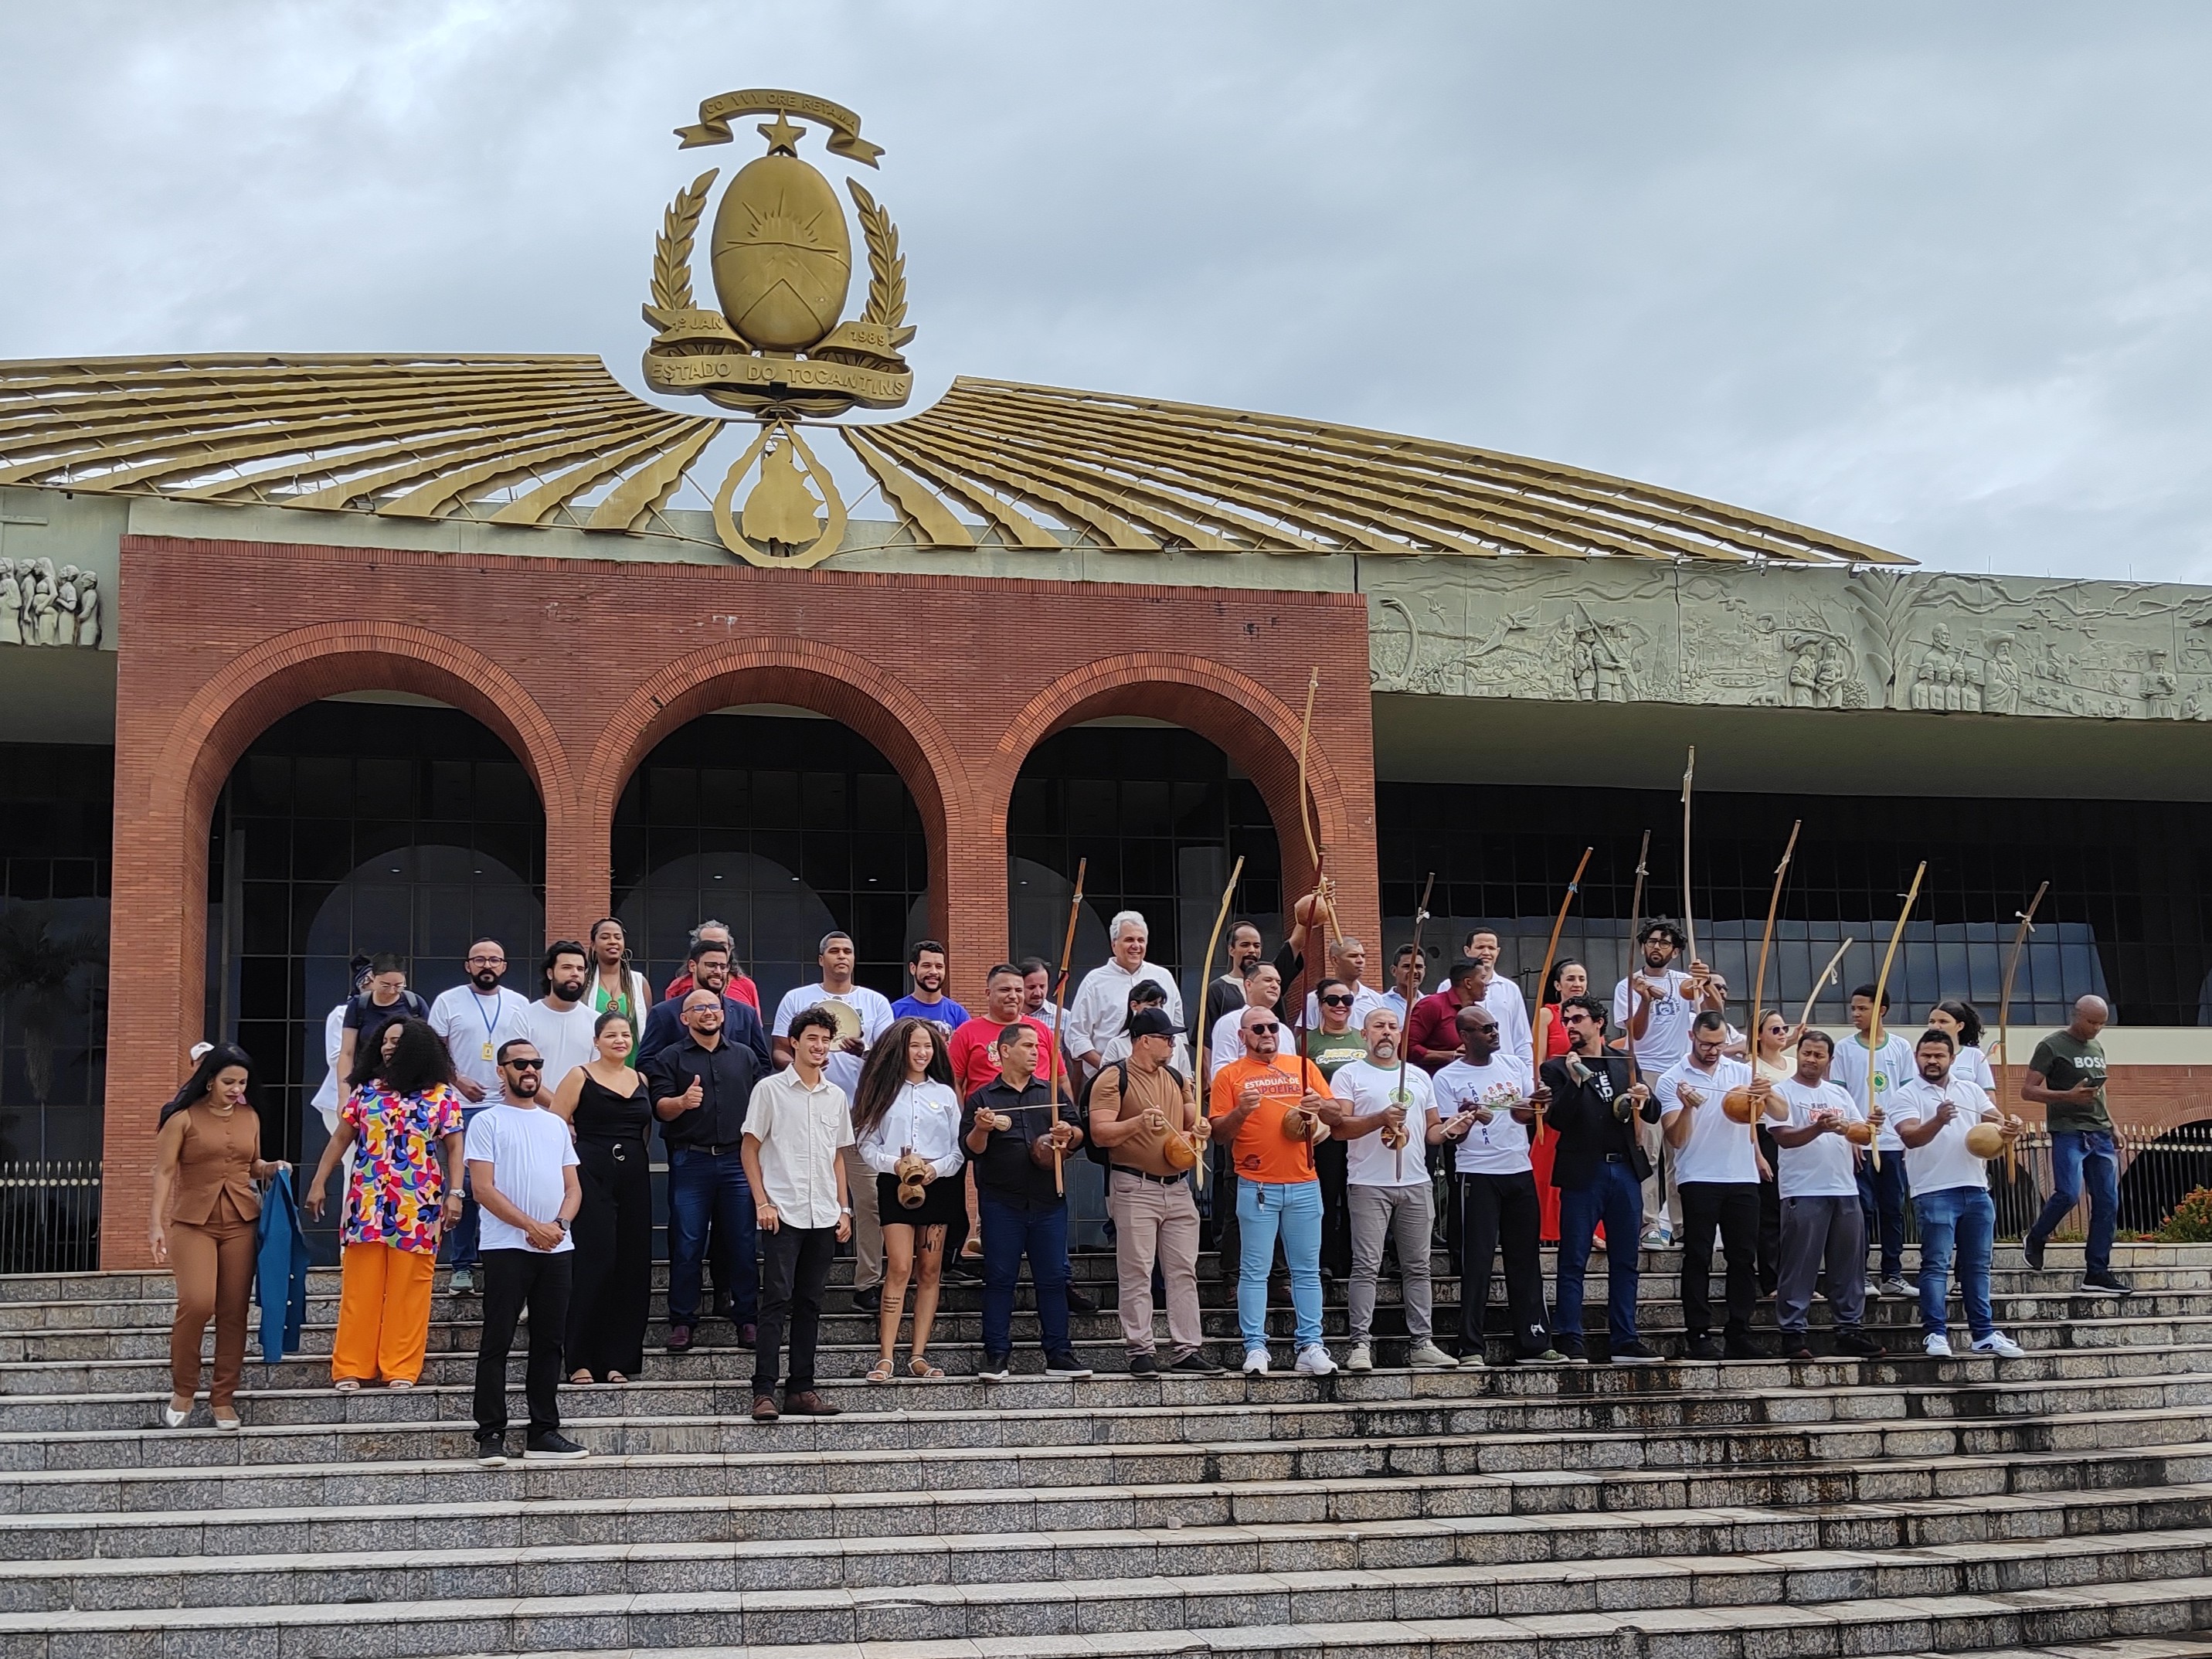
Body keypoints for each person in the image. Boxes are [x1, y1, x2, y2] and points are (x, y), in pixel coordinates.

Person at [304, 1018, 464, 1389]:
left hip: (418, 1203)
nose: (389, 1046)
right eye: (386, 1040)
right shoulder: (365, 1092)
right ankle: (351, 1367)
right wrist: (318, 1182)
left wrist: (456, 1193)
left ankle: (401, 1369)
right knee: (361, 1287)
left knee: (410, 1289)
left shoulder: (441, 1095)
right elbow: (341, 1139)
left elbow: (455, 1147)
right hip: (367, 1201)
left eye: (398, 1040)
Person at [150, 1044, 286, 1430]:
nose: (235, 1088)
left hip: (242, 1221)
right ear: (209, 1080)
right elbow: (163, 1173)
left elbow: (251, 1164)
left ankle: (223, 1397)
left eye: (242, 1082)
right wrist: (155, 1224)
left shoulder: (250, 1117)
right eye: (228, 1081)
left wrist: (273, 1168)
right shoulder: (182, 1118)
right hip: (194, 1222)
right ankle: (184, 1389)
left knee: (233, 1310)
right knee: (197, 1302)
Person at [464, 1037, 587, 1464]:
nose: (529, 1069)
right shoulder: (487, 1122)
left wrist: (559, 1226)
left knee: (550, 1341)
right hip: (506, 1247)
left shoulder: (554, 1123)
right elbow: (482, 1188)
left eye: (535, 1062)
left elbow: (573, 1188)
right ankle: (491, 1434)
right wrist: (531, 1226)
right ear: (502, 1072)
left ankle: (543, 1432)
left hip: (557, 1245)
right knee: (497, 1338)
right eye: (520, 1064)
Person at [1088, 1006, 1217, 1376]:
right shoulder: (1113, 1078)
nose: (1173, 1043)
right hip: (1133, 1184)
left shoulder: (1176, 1077)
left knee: (1183, 1270)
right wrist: (1138, 1122)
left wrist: (1201, 1129)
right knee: (1136, 1270)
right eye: (1167, 1038)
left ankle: (1186, 1349)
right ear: (1145, 1041)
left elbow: (1193, 1121)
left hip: (1178, 1187)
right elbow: (1100, 1133)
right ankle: (1139, 1349)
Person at [1324, 1009, 1455, 1372]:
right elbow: (1341, 1129)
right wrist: (1380, 1118)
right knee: (1366, 1266)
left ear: (1401, 1035)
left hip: (1415, 1181)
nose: (1385, 1033)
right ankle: (1360, 1344)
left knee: (1419, 1266)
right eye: (1378, 1026)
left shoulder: (1417, 1075)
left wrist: (1455, 1127)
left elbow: (1432, 1131)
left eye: (1392, 1027)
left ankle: (1422, 1342)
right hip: (1368, 1182)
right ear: (1364, 1033)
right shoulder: (1349, 1074)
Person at [1211, 1005, 1337, 1377]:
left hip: (1303, 1182)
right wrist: (1241, 1112)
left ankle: (1311, 1344)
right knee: (1254, 1271)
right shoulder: (1229, 1076)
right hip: (1257, 1183)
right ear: (1243, 1036)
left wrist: (1319, 1105)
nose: (1267, 1034)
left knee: (1306, 1271)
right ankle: (1254, 1346)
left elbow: (1333, 1115)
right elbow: (1219, 1134)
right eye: (1258, 1029)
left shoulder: (1302, 1066)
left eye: (1272, 1027)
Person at [773, 930, 895, 1311]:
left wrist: (866, 1053)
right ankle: (798, 1284)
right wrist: (804, 1064)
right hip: (803, 1113)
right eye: (835, 951)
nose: (842, 957)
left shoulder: (873, 1002)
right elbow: (777, 1050)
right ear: (821, 958)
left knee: (869, 1202)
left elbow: (890, 1058)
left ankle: (867, 1283)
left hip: (861, 1116)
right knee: (800, 1198)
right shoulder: (797, 998)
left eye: (848, 951)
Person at [1433, 1005, 1562, 1366]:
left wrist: (1537, 1105)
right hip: (1477, 1174)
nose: (1493, 1032)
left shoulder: (1514, 1065)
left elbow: (1523, 1115)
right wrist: (1469, 1117)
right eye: (1484, 1028)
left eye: (1494, 1026)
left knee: (1525, 1258)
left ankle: (1535, 1339)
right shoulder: (1447, 1077)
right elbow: (1450, 1135)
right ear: (1465, 1036)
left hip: (1517, 1169)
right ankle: (1471, 1345)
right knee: (1477, 1261)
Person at [744, 1006, 855, 1419]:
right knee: (776, 1300)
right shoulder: (770, 1090)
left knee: (811, 1303)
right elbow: (749, 1148)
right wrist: (762, 1202)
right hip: (783, 1212)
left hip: (824, 1214)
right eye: (812, 1038)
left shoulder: (836, 1095)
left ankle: (802, 1389)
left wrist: (843, 1209)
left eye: (826, 1040)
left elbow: (838, 1157)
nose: (819, 1046)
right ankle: (763, 1392)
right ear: (794, 1042)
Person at [963, 1022, 1091, 1380]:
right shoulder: (983, 1098)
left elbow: (1078, 1131)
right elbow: (970, 1149)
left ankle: (1059, 1353)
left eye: (1039, 1046)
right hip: (1001, 1202)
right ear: (1005, 1051)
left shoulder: (1050, 1092)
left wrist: (1069, 1134)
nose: (1036, 1052)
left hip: (1049, 1201)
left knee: (1052, 1279)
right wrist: (982, 1128)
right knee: (1000, 1279)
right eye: (1028, 1046)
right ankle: (996, 1354)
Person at [1890, 1028, 2027, 1358]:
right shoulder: (1906, 1095)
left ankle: (1984, 1334)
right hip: (1934, 1190)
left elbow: (1996, 1121)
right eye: (1926, 1055)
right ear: (1916, 1058)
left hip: (1977, 1188)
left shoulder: (1970, 1090)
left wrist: (2011, 1128)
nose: (1932, 1061)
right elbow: (1910, 1138)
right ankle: (1935, 1333)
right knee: (1936, 1265)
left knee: (1978, 1266)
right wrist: (1937, 1120)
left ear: (1952, 1059)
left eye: (1939, 1056)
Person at [1542, 995, 1663, 1364]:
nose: (1571, 1026)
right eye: (1567, 1020)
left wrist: (1646, 1096)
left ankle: (1625, 1338)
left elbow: (1654, 1113)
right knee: (1573, 1257)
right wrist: (1577, 1082)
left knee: (1626, 1259)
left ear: (1599, 1022)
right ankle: (1569, 1336)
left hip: (1624, 1167)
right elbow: (1557, 1120)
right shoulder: (1557, 1067)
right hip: (1584, 1170)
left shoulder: (1623, 1059)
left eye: (1579, 1018)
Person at [646, 989, 766, 1352]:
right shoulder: (670, 1057)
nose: (708, 1013)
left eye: (714, 1007)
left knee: (743, 1242)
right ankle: (683, 1320)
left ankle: (747, 1318)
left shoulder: (745, 1057)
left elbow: (765, 1103)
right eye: (698, 1008)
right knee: (687, 1242)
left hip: (737, 1161)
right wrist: (681, 1103)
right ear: (685, 1018)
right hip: (691, 1160)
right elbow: (659, 1108)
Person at [1656, 1011, 1781, 1360]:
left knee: (1743, 1257)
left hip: (1740, 1175)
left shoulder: (1742, 1072)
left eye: (1719, 1044)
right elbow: (1676, 1139)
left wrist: (1766, 1094)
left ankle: (1740, 1331)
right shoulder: (1671, 1078)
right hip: (1698, 1175)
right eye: (1706, 1043)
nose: (1712, 1050)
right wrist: (1685, 1107)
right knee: (1698, 1255)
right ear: (1692, 1037)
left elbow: (1778, 1115)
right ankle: (1698, 1332)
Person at [851, 1017, 963, 1382]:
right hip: (895, 1181)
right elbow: (866, 1144)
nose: (922, 1052)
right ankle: (885, 1355)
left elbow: (957, 1150)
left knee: (930, 1270)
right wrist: (895, 1165)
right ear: (900, 1048)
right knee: (899, 1265)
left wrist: (935, 1171)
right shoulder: (883, 1090)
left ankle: (918, 1355)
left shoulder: (944, 1093)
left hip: (938, 1182)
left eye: (928, 1046)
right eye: (915, 1045)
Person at [1768, 1030, 1884, 1361]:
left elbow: (1860, 1135)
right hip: (1803, 1190)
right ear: (1798, 1053)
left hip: (1844, 1188)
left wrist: (1871, 1125)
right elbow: (1784, 1137)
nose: (1811, 1060)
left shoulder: (1839, 1094)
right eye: (1806, 1053)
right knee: (1799, 1264)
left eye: (1819, 1055)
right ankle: (1793, 1331)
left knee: (1848, 1265)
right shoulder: (1781, 1093)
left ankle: (1849, 1328)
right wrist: (1818, 1127)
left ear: (1829, 1060)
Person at [550, 1011, 652, 1385]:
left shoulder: (641, 1078)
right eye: (611, 1035)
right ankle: (580, 1360)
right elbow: (555, 1124)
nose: (620, 1041)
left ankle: (618, 1361)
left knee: (631, 1266)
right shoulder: (580, 1075)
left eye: (625, 1035)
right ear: (597, 1041)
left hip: (634, 1178)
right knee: (594, 1263)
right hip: (590, 1174)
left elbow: (644, 1132)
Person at [426, 939, 533, 1295]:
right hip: (461, 1106)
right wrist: (457, 1079)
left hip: (508, 1107)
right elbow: (434, 1050)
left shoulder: (519, 1004)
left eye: (495, 960)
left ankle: (500, 1259)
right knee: (468, 1187)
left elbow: (526, 1054)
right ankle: (461, 1265)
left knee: (507, 1186)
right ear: (468, 965)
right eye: (480, 959)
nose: (487, 965)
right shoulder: (448, 1001)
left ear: (504, 966)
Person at [1613, 920, 1720, 1249]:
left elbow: (1714, 1017)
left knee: (1680, 1150)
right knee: (1649, 1150)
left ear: (1675, 952)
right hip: (1646, 1074)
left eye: (1664, 943)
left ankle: (1682, 1223)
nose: (1656, 947)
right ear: (1644, 946)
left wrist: (1706, 983)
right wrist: (1644, 998)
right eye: (1652, 941)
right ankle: (1649, 1224)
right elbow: (1636, 1033)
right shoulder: (1628, 985)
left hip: (1678, 1074)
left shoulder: (1684, 982)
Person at [2021, 994, 2131, 1294]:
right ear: (2077, 1015)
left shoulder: (2096, 1047)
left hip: (2100, 1133)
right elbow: (2028, 1091)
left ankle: (2097, 1271)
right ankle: (2037, 1236)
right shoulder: (2052, 1045)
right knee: (2068, 1193)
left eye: (2102, 1024)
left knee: (2108, 1201)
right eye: (2092, 1022)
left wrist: (2114, 1126)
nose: (2096, 1028)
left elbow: (2100, 1093)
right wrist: (2067, 1096)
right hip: (2068, 1130)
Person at [1830, 983, 1918, 1300]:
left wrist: (1907, 1135)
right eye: (1853, 1008)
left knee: (1893, 1209)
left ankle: (1892, 1273)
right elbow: (1840, 1094)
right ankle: (1860, 1273)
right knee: (1861, 1209)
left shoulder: (1901, 1048)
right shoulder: (1845, 1048)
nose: (1855, 1013)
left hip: (1892, 1141)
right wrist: (1852, 1134)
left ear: (1880, 1010)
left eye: (1862, 1008)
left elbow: (1908, 1095)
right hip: (1859, 1142)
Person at [1065, 910, 1184, 1076]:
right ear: (1114, 944)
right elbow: (1077, 1036)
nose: (1136, 946)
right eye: (1129, 940)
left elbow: (1178, 1032)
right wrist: (1110, 1071)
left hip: (1163, 1080)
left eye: (1141, 940)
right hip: (1110, 1081)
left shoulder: (1163, 977)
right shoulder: (1094, 981)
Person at [638, 938, 772, 1064]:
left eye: (723, 966)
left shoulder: (747, 1013)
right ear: (692, 966)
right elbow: (647, 1062)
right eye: (711, 965)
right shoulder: (664, 1013)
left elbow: (762, 1063)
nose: (718, 972)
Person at [333, 954, 429, 1096]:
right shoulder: (359, 1006)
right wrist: (344, 1094)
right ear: (373, 978)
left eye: (398, 986)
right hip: (369, 1083)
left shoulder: (414, 1003)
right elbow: (347, 1053)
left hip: (409, 1085)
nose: (391, 991)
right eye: (385, 985)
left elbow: (430, 1046)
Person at [309, 955, 373, 1145]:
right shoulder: (342, 1014)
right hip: (344, 1097)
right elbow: (337, 1057)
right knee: (354, 1161)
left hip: (380, 1099)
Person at [522, 942, 600, 1096]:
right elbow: (519, 1073)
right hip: (535, 1113)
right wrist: (559, 1109)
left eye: (580, 969)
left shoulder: (597, 1021)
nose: (575, 973)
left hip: (580, 1116)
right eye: (567, 967)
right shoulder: (524, 1017)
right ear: (550, 973)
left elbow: (598, 1075)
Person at [1406, 957, 1496, 1074]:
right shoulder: (1431, 1005)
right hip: (1435, 1083)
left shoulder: (1478, 1012)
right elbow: (1407, 1049)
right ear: (1468, 983)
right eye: (1483, 978)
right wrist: (1451, 1055)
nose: (1487, 983)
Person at [584, 917, 652, 1061]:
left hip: (632, 1067)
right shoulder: (584, 984)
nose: (613, 941)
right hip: (594, 1067)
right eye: (605, 937)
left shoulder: (639, 983)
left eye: (618, 937)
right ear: (593, 945)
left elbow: (647, 1031)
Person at [661, 919, 760, 1011]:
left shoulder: (746, 986)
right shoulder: (678, 987)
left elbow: (755, 1026)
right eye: (708, 944)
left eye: (722, 944)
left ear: (730, 948)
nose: (716, 949)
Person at [1096, 979, 1194, 1073]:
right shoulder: (1117, 1044)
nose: (1158, 1009)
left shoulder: (1176, 1042)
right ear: (1134, 1005)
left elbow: (1187, 1078)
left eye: (1161, 1005)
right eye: (1152, 1004)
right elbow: (1106, 1081)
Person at [1211, 960, 1286, 1072]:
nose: (1275, 986)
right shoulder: (1230, 1022)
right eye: (1268, 980)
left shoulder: (1285, 1031)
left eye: (1278, 982)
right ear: (1249, 985)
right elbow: (1222, 1069)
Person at [1302, 937, 1387, 1029]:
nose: (1360, 961)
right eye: (1353, 956)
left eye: (1363, 956)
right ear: (1335, 960)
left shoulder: (1375, 998)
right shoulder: (1315, 998)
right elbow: (1303, 1036)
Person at [891, 940, 970, 1033]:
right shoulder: (895, 1011)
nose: (934, 972)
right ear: (913, 968)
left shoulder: (958, 1014)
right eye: (927, 966)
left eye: (939, 966)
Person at [1927, 1000, 1995, 1094]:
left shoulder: (1975, 1056)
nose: (1936, 1026)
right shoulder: (1920, 1057)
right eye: (1932, 1021)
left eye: (1943, 1022)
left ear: (1960, 1026)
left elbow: (1988, 1095)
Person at [1381, 943, 1427, 1025]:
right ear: (1394, 971)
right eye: (1407, 966)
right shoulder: (1381, 1004)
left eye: (1419, 967)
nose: (1414, 971)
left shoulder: (1430, 1004)